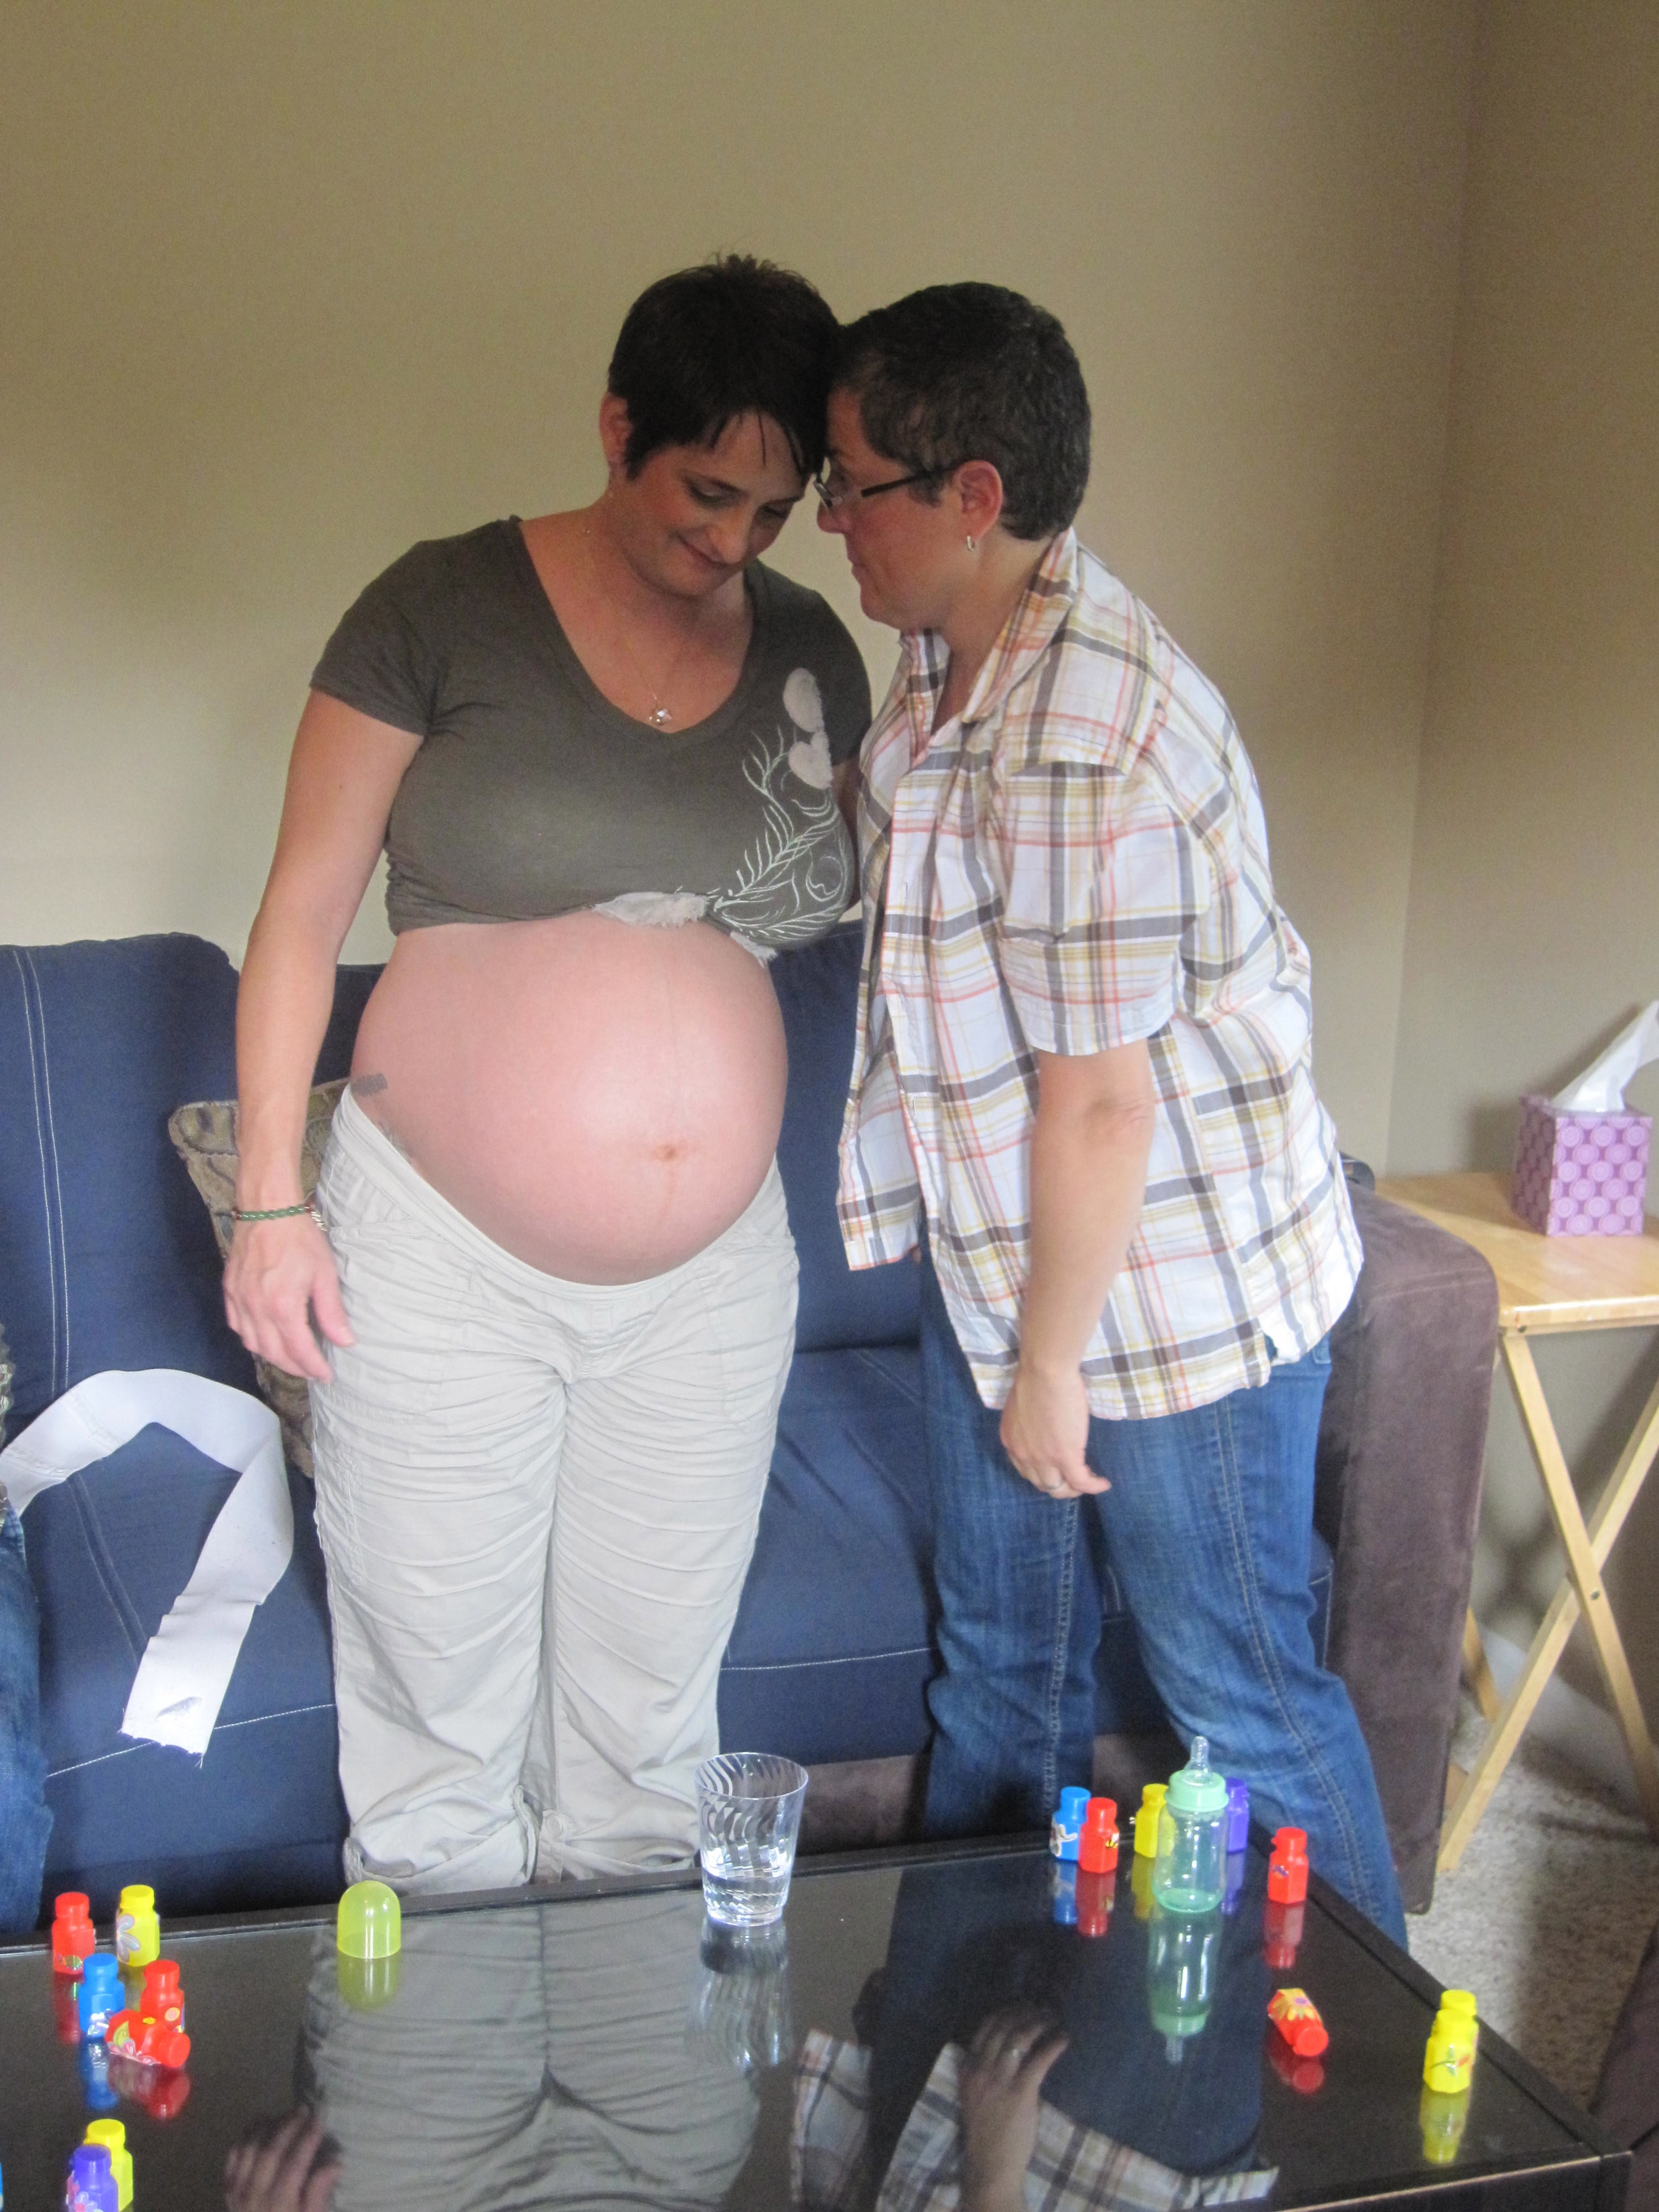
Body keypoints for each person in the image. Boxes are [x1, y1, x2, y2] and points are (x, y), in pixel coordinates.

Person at [226, 256, 870, 1892]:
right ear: (616, 428)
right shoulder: (438, 607)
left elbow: (865, 888)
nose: (732, 542)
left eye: (773, 511)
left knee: (649, 1744)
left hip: (709, 1283)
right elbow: (299, 913)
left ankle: (631, 2066)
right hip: (443, 1261)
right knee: (438, 1735)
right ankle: (449, 2062)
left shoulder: (810, 653)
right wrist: (269, 1210)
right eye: (704, 493)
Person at [817, 282, 1406, 1942]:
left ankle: (1372, 2074)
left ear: (975, 495)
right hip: (1008, 1265)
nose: (832, 520)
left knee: (1238, 1694)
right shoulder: (952, 654)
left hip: (1165, 1299)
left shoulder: (1081, 734)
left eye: (854, 486)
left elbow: (1098, 1109)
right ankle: (970, 2022)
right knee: (999, 1670)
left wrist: (1050, 1368)